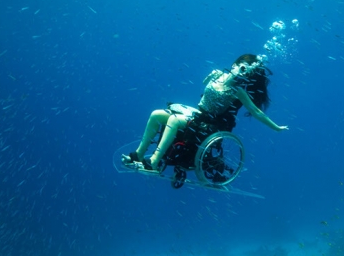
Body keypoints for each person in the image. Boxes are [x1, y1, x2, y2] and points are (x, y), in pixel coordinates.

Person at [123, 53, 288, 172]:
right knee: (156, 114)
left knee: (173, 120)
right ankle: (139, 154)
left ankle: (154, 162)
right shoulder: (218, 75)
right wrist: (210, 78)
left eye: (247, 73)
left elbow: (256, 112)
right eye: (243, 68)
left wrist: (276, 127)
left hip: (210, 122)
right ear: (235, 65)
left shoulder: (238, 91)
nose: (243, 73)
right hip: (198, 113)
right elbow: (204, 84)